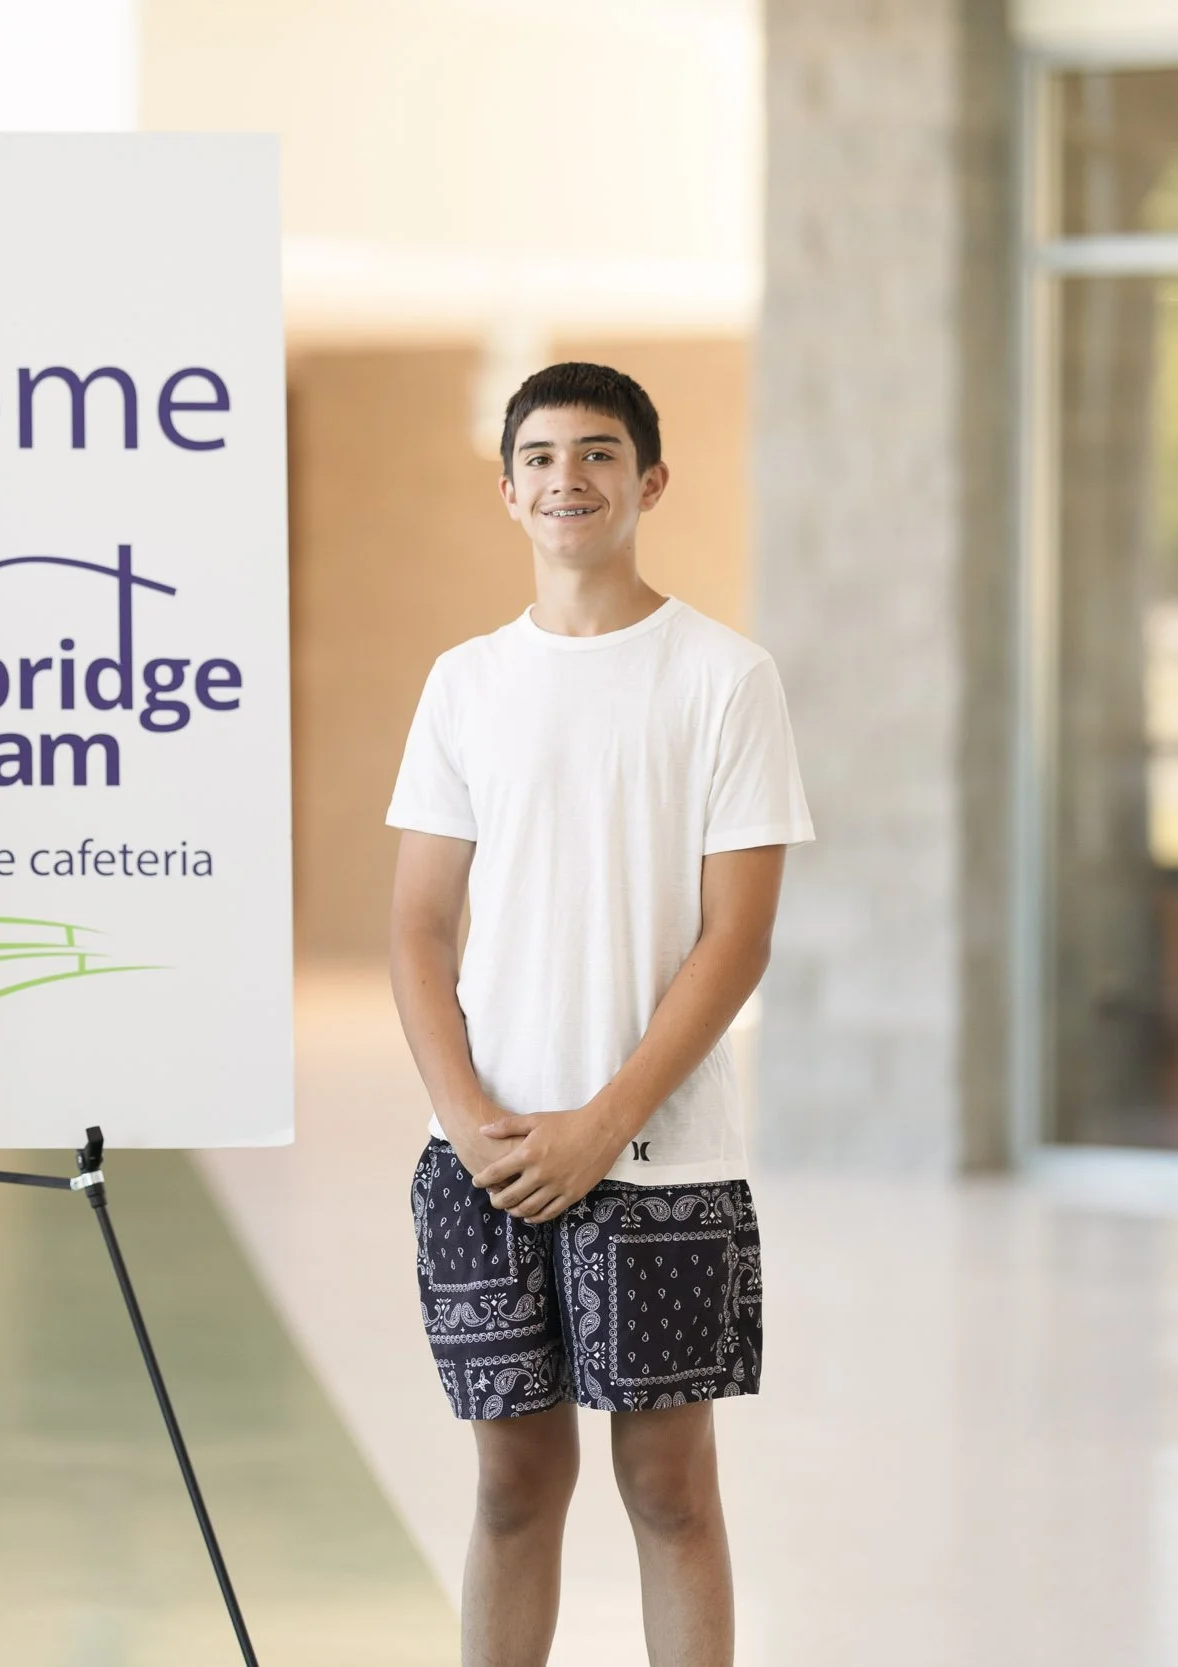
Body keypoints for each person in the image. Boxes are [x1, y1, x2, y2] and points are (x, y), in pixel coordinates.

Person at [385, 363, 812, 1667]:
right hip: (489, 1160)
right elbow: (416, 925)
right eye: (543, 455)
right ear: (510, 487)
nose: (568, 477)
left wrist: (603, 1125)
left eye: (600, 453)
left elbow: (736, 938)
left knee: (670, 1489)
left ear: (650, 481)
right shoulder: (464, 682)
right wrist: (473, 1124)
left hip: (663, 1162)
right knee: (512, 1488)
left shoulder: (725, 677)